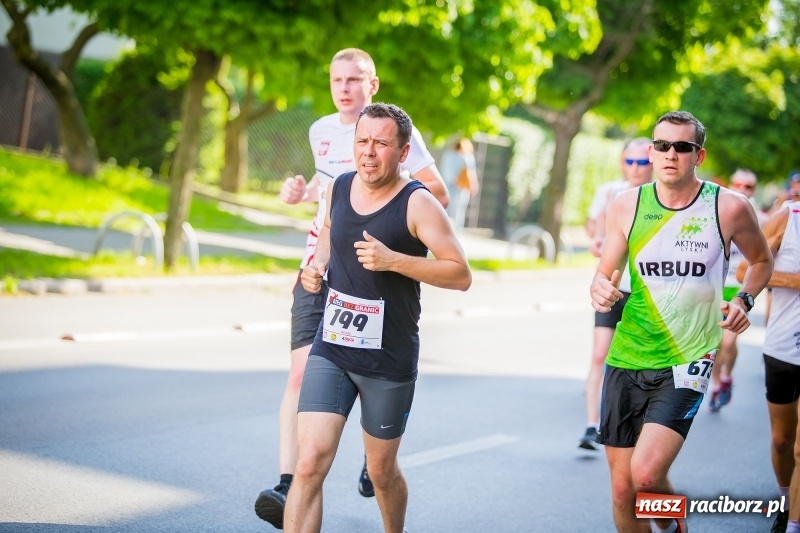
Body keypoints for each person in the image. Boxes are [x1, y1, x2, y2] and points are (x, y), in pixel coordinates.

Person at [255, 49, 448, 529]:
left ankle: (373, 455)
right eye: (336, 79)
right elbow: (328, 202)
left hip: (379, 291)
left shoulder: (395, 134)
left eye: (354, 79)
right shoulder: (321, 132)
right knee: (303, 387)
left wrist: (392, 228)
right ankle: (289, 482)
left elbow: (436, 196)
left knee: (382, 468)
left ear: (372, 84)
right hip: (324, 270)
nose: (344, 88)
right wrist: (306, 201)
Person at [283, 102, 472, 533]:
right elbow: (329, 230)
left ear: (403, 153)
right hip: (332, 346)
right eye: (362, 141)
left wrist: (394, 261)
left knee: (381, 471)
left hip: (388, 359)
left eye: (381, 144)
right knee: (309, 462)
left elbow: (460, 274)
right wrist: (318, 266)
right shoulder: (339, 187)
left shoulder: (418, 203)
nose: (368, 152)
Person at [590, 111, 773, 533]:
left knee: (646, 475)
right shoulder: (626, 205)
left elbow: (762, 261)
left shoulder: (729, 207)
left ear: (699, 155)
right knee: (623, 490)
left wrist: (744, 299)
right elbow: (604, 273)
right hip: (628, 353)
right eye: (662, 145)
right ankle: (672, 524)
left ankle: (671, 526)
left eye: (682, 147)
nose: (670, 154)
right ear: (652, 152)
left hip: (688, 357)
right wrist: (599, 288)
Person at [578, 137, 654, 451]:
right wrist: (598, 242)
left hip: (648, 295)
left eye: (642, 162)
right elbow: (597, 232)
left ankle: (642, 427)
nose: (635, 168)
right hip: (613, 288)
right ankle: (591, 425)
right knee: (600, 354)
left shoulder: (663, 199)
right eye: (629, 161)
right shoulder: (611, 193)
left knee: (642, 365)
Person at [736, 200, 800, 533]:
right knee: (782, 439)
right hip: (784, 348)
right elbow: (744, 271)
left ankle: (794, 523)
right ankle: (786, 501)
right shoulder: (788, 218)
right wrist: (794, 280)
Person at [708, 169, 768, 412]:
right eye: (738, 184)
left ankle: (727, 375)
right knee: (714, 344)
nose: (743, 189)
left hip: (739, 288)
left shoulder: (762, 220)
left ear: (754, 190)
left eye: (749, 186)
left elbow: (765, 257)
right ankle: (717, 384)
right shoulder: (715, 212)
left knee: (728, 341)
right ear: (731, 184)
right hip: (715, 287)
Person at [440, 137, 479, 230]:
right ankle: (456, 232)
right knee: (458, 212)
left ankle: (446, 230)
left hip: (450, 186)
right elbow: (472, 174)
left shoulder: (449, 155)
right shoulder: (468, 157)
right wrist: (473, 186)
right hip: (461, 187)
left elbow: (447, 173)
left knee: (447, 210)